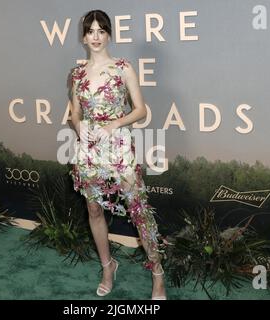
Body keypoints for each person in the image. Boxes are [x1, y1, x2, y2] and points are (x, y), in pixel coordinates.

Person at [69, 9, 167, 300]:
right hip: (88, 150)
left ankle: (158, 274)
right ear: (84, 37)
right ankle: (108, 266)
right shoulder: (77, 73)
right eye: (90, 31)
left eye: (101, 31)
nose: (96, 37)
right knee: (94, 209)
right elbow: (75, 112)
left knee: (138, 209)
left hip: (119, 146)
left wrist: (113, 124)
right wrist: (78, 125)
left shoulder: (123, 67)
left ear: (109, 34)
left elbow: (140, 110)